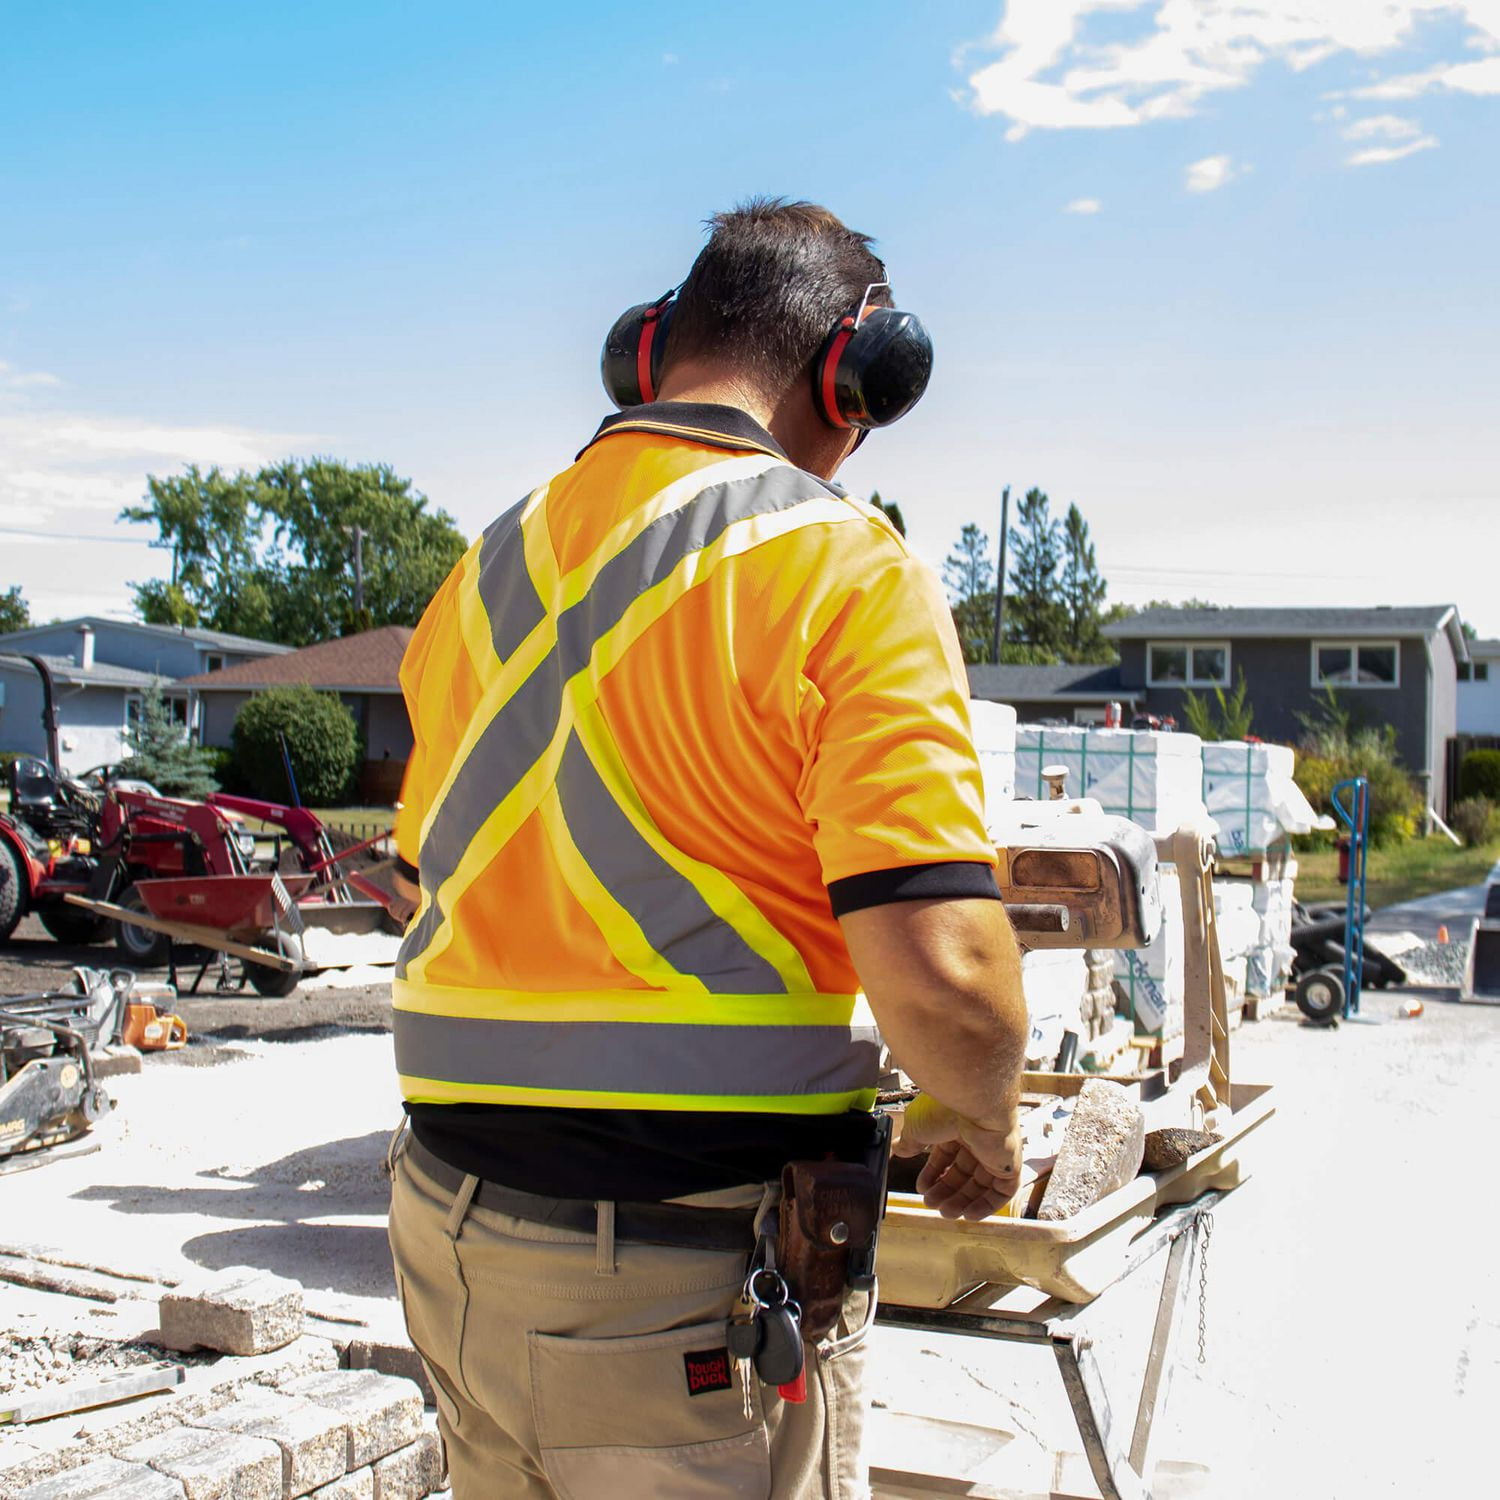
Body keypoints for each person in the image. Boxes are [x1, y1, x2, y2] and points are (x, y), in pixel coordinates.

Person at [386, 197, 1028, 1499]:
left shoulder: (489, 566)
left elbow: (424, 879)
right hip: (680, 1294)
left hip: (449, 1247)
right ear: (861, 375)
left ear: (651, 350)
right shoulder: (845, 568)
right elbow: (947, 973)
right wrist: (984, 1106)